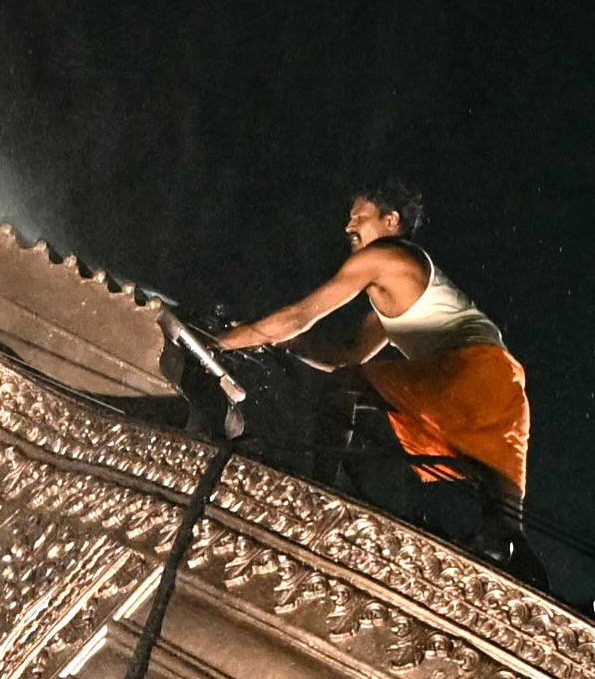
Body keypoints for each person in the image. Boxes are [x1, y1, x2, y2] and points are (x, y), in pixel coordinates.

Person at [219, 183, 532, 568]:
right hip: (503, 385)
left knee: (346, 387)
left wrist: (225, 342)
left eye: (359, 217)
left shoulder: (384, 256)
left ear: (391, 220)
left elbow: (302, 315)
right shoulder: (402, 287)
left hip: (471, 370)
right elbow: (347, 355)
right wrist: (284, 343)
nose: (348, 226)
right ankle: (517, 563)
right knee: (502, 525)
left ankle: (318, 486)